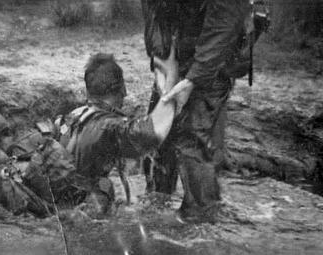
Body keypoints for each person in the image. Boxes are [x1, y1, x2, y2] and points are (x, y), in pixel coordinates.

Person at [141, 0, 251, 221]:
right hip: (184, 39)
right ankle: (157, 204)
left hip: (219, 54)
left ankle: (200, 219)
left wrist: (194, 79)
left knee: (193, 139)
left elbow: (223, 29)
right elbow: (153, 11)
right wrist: (162, 60)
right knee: (156, 135)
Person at [56, 52, 181, 213]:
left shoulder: (69, 117)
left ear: (89, 91)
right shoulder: (108, 127)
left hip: (55, 203)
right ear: (122, 89)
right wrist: (170, 82)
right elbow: (151, 134)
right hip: (79, 215)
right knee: (103, 190)